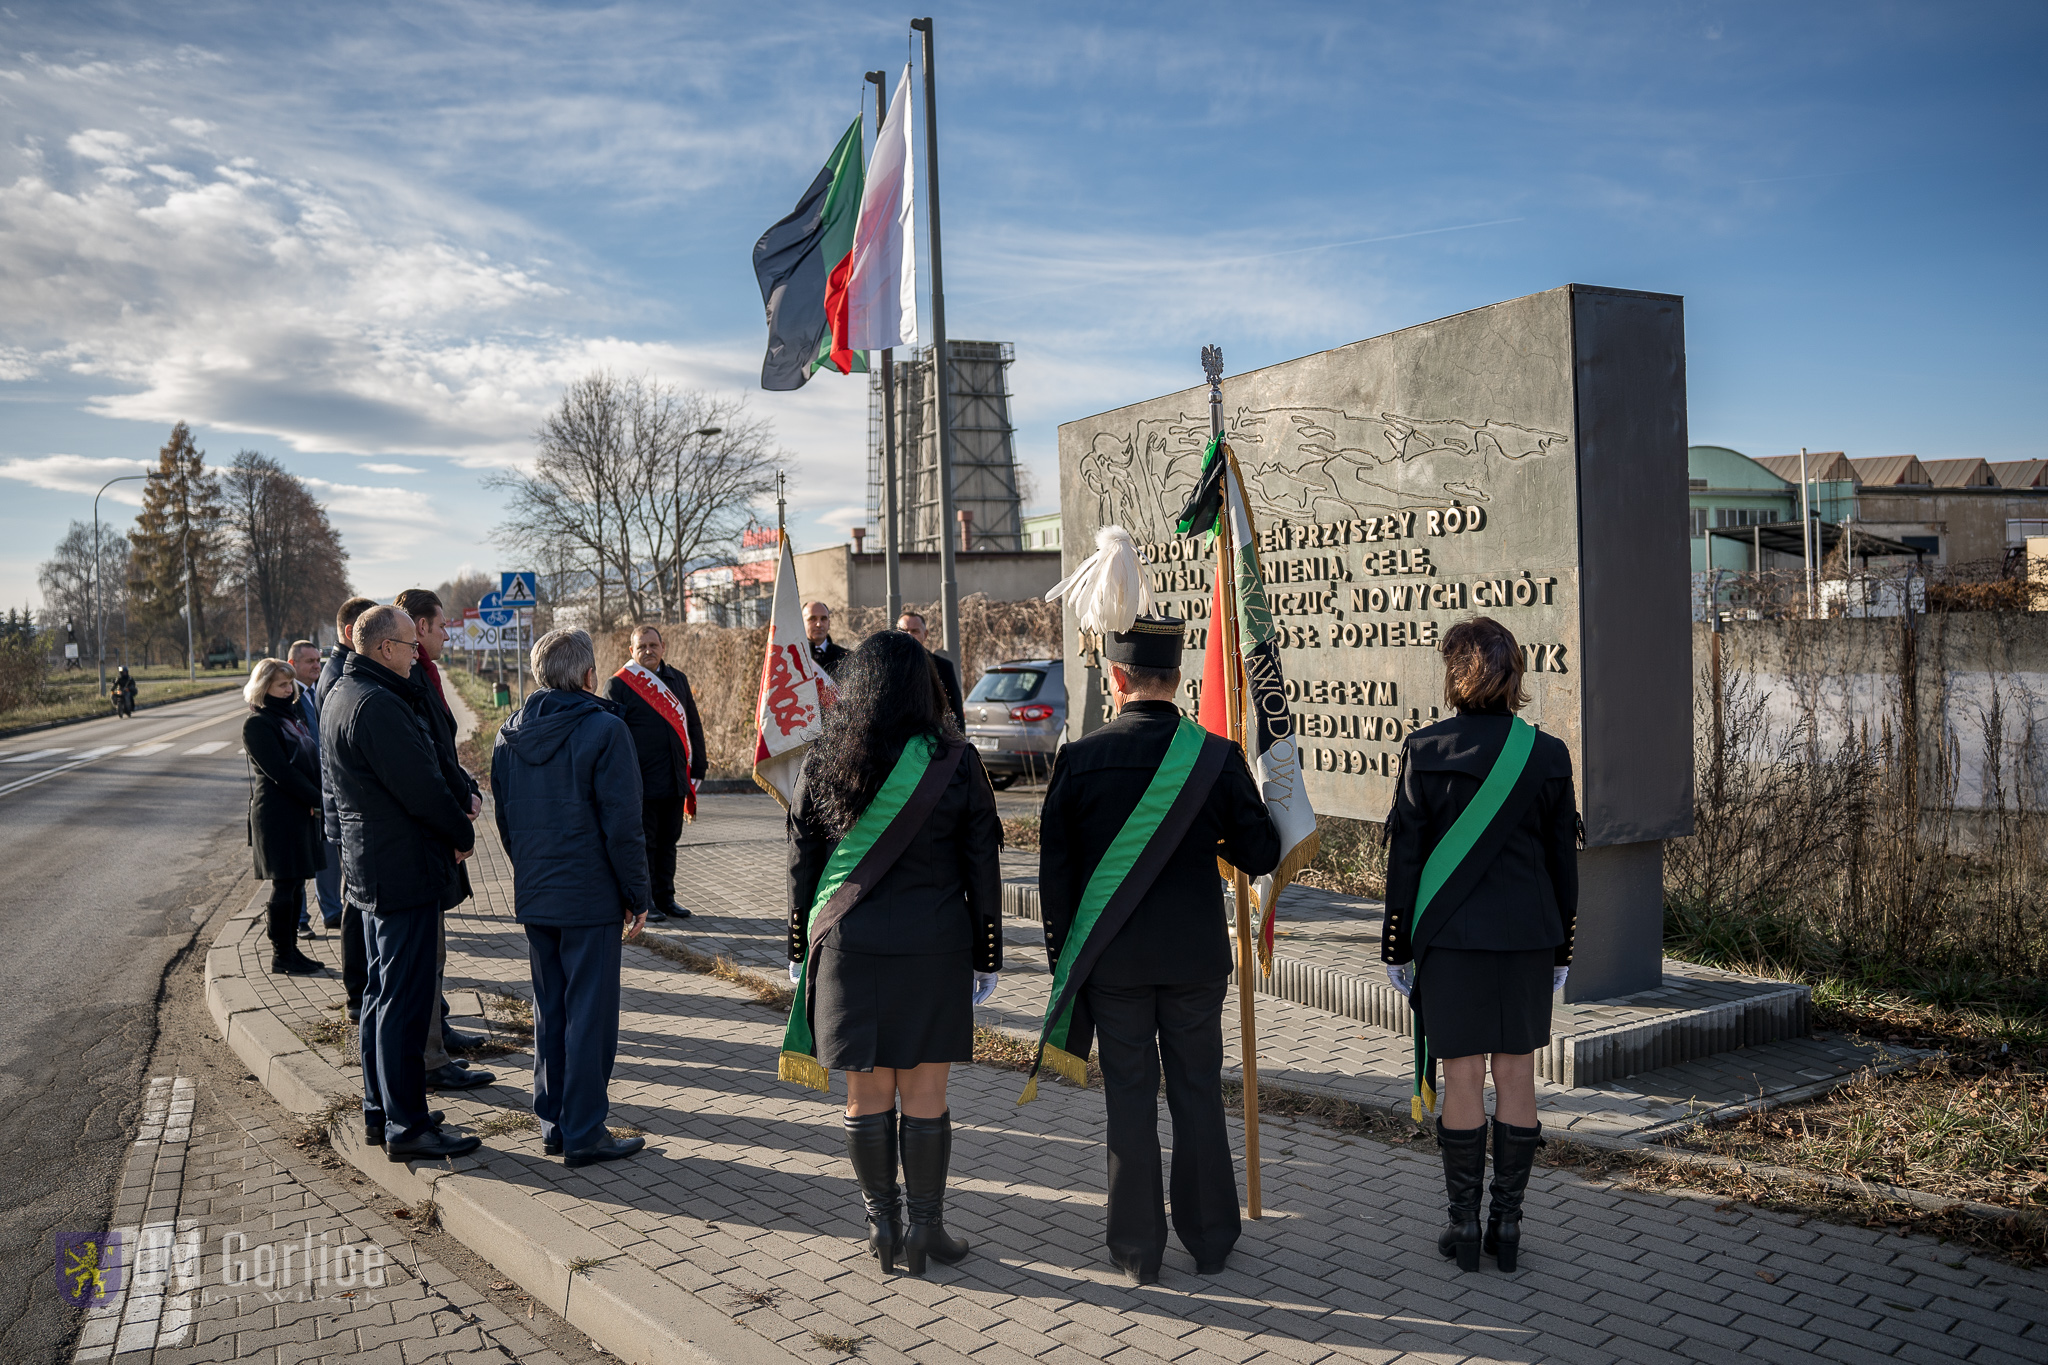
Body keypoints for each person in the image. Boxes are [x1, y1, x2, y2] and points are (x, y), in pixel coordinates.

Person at [1034, 595, 1280, 1285]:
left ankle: (1138, 1248)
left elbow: (1058, 879)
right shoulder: (1215, 756)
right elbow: (1260, 851)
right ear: (1177, 681)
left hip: (1113, 962)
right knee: (1199, 1091)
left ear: (1116, 677)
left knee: (1130, 1098)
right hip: (1197, 958)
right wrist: (1215, 827)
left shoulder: (1079, 760)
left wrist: (1067, 965)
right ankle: (1210, 1241)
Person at [783, 630, 1001, 1276]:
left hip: (851, 950)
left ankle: (881, 1225)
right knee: (926, 1094)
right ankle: (925, 1231)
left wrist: (799, 945)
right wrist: (988, 951)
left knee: (865, 1093)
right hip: (935, 949)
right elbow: (981, 861)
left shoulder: (823, 759)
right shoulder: (956, 760)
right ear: (925, 688)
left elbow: (802, 858)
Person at [1381, 616, 1578, 1275]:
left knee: (1462, 1074)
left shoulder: (1424, 748)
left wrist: (1396, 946)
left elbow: (1405, 863)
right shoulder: (1547, 755)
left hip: (1452, 943)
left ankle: (1464, 1223)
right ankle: (1509, 1225)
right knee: (1517, 1073)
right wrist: (1562, 952)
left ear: (1453, 674)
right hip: (1527, 940)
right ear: (1513, 674)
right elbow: (1561, 867)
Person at [321, 604, 482, 1161]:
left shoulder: (344, 692)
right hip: (402, 870)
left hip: (374, 868)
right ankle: (407, 1126)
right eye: (412, 645)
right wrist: (460, 832)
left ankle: (381, 1108)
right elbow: (421, 788)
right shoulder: (377, 704)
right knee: (403, 1001)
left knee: (378, 995)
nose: (418, 654)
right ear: (385, 648)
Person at [492, 628, 652, 1168]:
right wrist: (638, 893)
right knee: (590, 1015)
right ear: (588, 675)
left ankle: (554, 1121)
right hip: (589, 896)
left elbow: (506, 821)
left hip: (539, 891)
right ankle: (583, 1130)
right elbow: (624, 825)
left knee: (550, 1009)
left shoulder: (507, 733)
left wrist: (531, 871)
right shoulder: (605, 728)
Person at [395, 587, 494, 1091]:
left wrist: (470, 790)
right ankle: (430, 1059)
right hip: (418, 848)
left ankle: (437, 1037)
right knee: (419, 961)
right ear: (417, 628)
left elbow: (445, 752)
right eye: (437, 627)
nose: (442, 634)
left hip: (434, 835)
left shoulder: (425, 675)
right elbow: (427, 764)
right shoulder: (406, 683)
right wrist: (459, 819)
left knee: (432, 956)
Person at [603, 625, 707, 923]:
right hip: (641, 783)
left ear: (663, 647)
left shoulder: (678, 679)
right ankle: (646, 900)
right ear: (631, 651)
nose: (648, 651)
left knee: (668, 842)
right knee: (644, 844)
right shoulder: (619, 685)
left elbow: (694, 726)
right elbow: (611, 736)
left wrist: (698, 765)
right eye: (641, 647)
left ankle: (666, 897)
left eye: (653, 645)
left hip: (675, 777)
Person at [241, 657, 328, 977]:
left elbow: (310, 760)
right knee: (284, 883)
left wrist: (317, 797)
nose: (289, 689)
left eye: (290, 683)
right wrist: (316, 798)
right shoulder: (258, 724)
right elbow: (281, 772)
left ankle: (293, 950)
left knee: (297, 884)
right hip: (277, 813)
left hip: (301, 809)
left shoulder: (292, 717)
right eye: (281, 684)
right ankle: (281, 954)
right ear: (264, 688)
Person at [321, 595, 379, 1021]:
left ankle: (360, 994)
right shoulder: (340, 677)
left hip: (347, 815)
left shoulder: (342, 672)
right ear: (350, 633)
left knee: (355, 905)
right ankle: (358, 995)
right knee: (354, 908)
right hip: (351, 817)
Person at [289, 639, 342, 938]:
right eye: (309, 661)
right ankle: (299, 918)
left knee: (327, 851)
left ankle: (332, 912)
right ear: (293, 663)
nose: (316, 665)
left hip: (324, 785)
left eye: (317, 659)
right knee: (301, 856)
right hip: (304, 788)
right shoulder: (288, 695)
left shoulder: (317, 691)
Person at [893, 611, 964, 728]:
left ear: (925, 634)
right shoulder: (889, 666)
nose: (909, 635)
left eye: (915, 631)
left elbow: (955, 710)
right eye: (904, 631)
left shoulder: (943, 667)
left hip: (933, 737)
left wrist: (959, 743)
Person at [804, 601, 849, 674]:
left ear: (829, 623)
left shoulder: (846, 658)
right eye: (812, 619)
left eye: (823, 619)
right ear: (802, 623)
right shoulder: (792, 659)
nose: (819, 624)